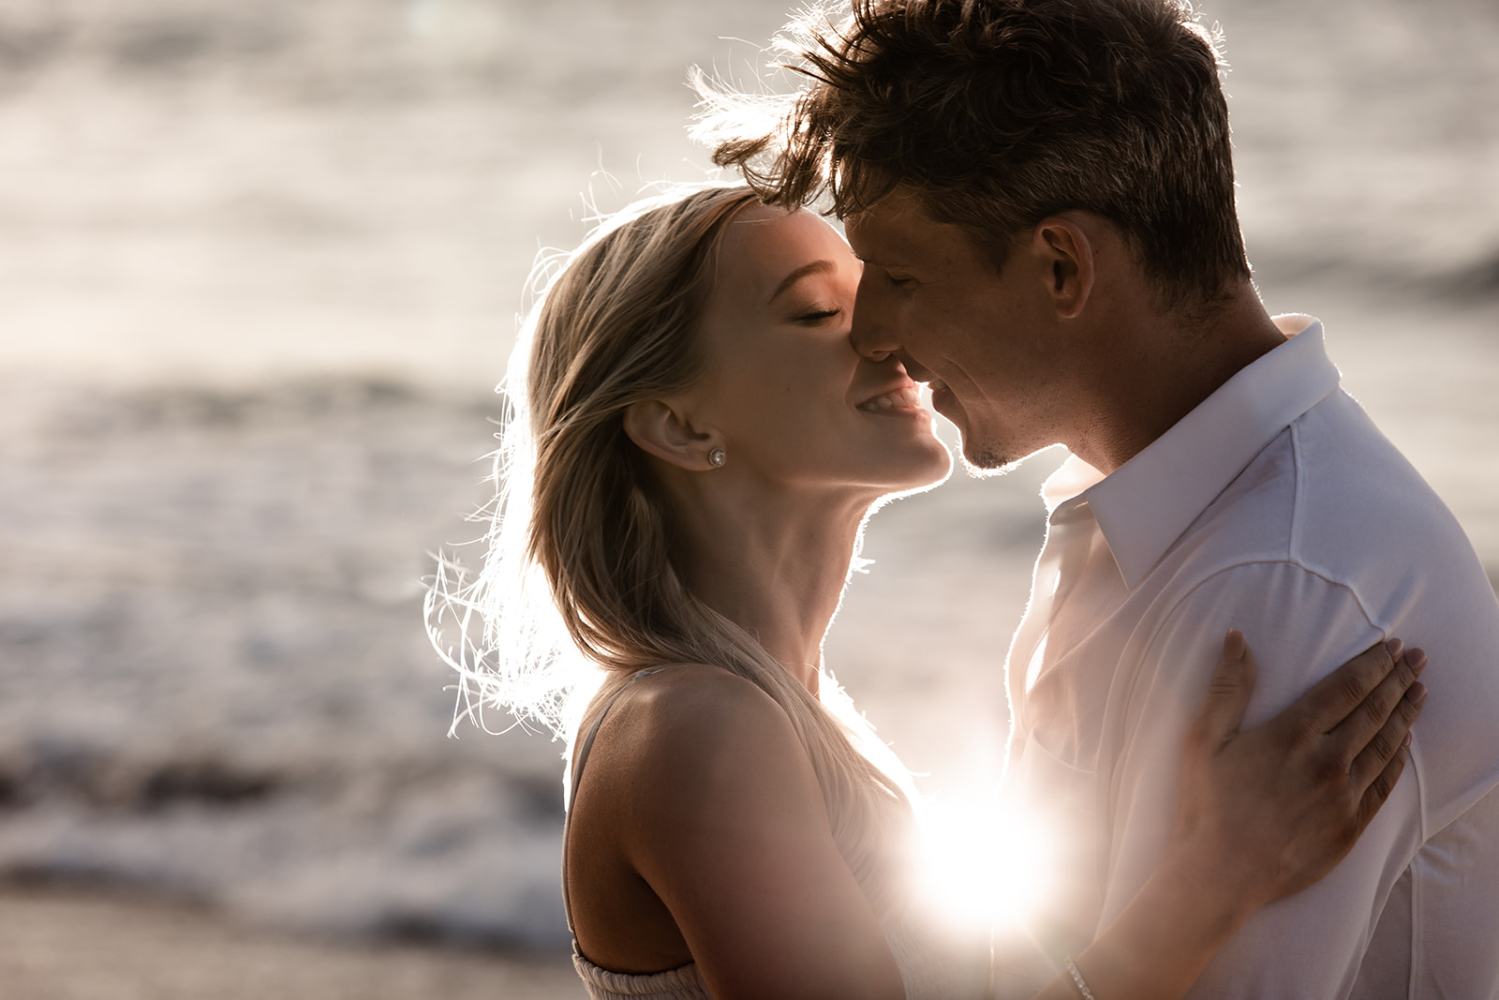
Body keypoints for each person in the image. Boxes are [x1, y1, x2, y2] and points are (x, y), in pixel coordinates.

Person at [427, 182, 1427, 999]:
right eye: (818, 311)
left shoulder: (777, 711)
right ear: (680, 428)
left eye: (884, 289)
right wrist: (1216, 875)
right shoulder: (696, 730)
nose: (886, 333)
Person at [704, 0, 1499, 996]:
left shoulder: (1278, 587)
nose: (870, 332)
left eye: (898, 274)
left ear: (1060, 267)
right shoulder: (1142, 520)